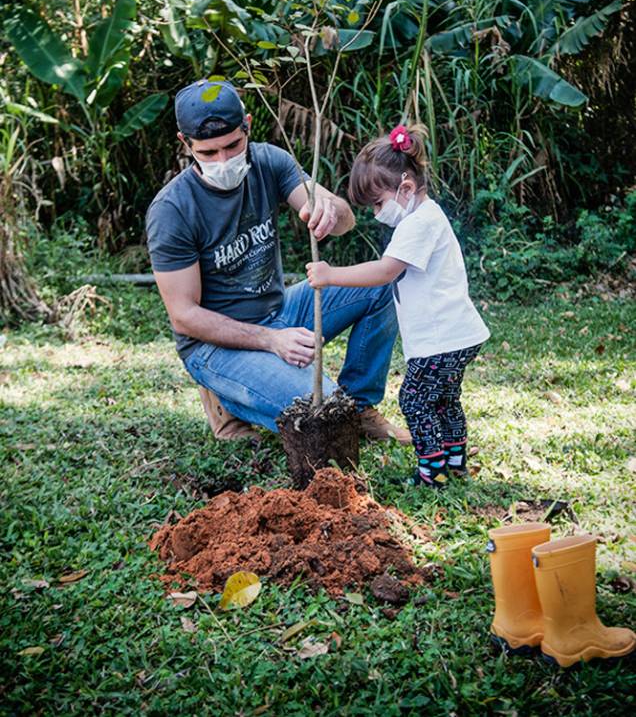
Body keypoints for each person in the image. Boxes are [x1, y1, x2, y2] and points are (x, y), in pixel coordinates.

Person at [145, 79, 408, 443]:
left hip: (280, 312)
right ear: (185, 143)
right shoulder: (172, 210)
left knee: (381, 283)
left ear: (248, 126)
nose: (223, 160)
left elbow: (344, 220)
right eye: (208, 153)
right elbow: (184, 316)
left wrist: (331, 212)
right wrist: (271, 341)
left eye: (233, 145)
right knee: (325, 414)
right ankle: (228, 397)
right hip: (214, 345)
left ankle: (361, 406)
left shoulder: (269, 161)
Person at [306, 123, 490, 487]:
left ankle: (431, 473)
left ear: (405, 187)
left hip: (441, 340)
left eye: (378, 203)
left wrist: (330, 274)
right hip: (458, 334)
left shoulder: (418, 224)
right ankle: (454, 460)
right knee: (445, 400)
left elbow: (386, 270)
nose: (376, 212)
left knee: (415, 401)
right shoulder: (428, 214)